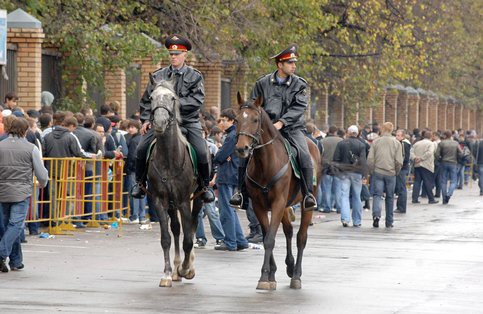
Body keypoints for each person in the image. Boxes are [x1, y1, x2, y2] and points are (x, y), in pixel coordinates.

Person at [230, 44, 317, 211]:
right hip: (264, 129)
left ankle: (307, 195)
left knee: (304, 154)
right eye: (290, 63)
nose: (294, 66)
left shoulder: (300, 84)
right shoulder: (262, 82)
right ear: (280, 65)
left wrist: (282, 122)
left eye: (294, 63)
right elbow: (253, 105)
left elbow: (299, 108)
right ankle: (240, 193)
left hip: (292, 128)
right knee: (245, 154)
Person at [131, 34, 214, 203]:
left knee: (202, 151)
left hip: (188, 121)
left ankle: (205, 187)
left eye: (177, 54)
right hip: (161, 121)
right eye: (171, 54)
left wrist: (172, 103)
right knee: (141, 148)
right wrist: (146, 120)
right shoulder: (158, 76)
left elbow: (197, 100)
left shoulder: (195, 76)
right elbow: (147, 100)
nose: (174, 57)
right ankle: (139, 184)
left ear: (185, 55)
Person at [0, 118, 49, 272]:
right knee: (15, 225)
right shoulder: (31, 148)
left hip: (2, 191)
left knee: (8, 227)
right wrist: (43, 182)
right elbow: (41, 173)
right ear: (25, 131)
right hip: (21, 192)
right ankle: (2, 253)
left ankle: (16, 260)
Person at [214, 109, 248, 251]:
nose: (221, 123)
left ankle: (230, 242)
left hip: (226, 175)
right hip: (232, 174)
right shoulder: (235, 134)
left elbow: (220, 157)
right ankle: (240, 241)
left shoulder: (231, 136)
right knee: (231, 210)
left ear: (231, 121)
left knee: (226, 210)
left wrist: (218, 156)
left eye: (223, 120)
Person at [367, 122, 403, 228]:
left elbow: (370, 159)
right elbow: (398, 161)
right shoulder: (397, 143)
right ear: (392, 130)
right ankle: (389, 221)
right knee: (390, 197)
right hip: (391, 172)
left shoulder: (376, 142)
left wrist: (372, 170)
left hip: (378, 171)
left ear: (382, 129)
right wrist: (396, 171)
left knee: (377, 195)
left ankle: (376, 216)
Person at [332, 125, 367, 227]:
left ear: (348, 133)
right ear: (356, 133)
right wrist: (364, 174)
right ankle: (357, 221)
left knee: (344, 195)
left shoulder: (341, 144)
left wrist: (338, 170)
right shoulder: (361, 145)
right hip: (357, 173)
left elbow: (336, 158)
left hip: (344, 172)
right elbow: (363, 161)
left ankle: (345, 219)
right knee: (357, 196)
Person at [411, 130, 438, 205]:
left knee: (417, 182)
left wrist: (415, 158)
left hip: (417, 165)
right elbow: (430, 153)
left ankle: (414, 198)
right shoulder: (431, 144)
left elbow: (411, 152)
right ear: (431, 136)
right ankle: (431, 199)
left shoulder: (417, 143)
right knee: (428, 182)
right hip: (427, 165)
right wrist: (421, 158)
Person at [435, 130, 462, 204]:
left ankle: (444, 198)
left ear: (445, 136)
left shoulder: (441, 143)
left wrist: (440, 160)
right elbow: (461, 153)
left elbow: (436, 154)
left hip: (443, 162)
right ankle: (449, 194)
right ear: (451, 136)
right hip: (453, 163)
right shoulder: (456, 143)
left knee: (443, 181)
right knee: (453, 181)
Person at [395, 129, 412, 213]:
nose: (396, 137)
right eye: (396, 135)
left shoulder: (404, 144)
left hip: (402, 168)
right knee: (400, 187)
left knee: (401, 188)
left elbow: (404, 157)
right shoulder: (402, 143)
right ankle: (400, 206)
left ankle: (401, 207)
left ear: (403, 136)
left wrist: (399, 165)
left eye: (398, 135)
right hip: (402, 168)